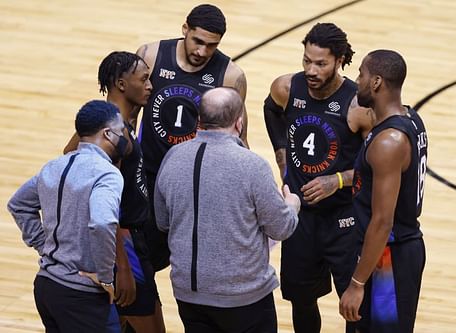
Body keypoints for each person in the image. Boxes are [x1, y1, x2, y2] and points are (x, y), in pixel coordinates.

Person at [154, 87, 301, 333]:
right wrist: (292, 205)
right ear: (239, 123)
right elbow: (281, 227)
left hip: (189, 294)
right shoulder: (252, 166)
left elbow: (162, 221)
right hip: (243, 296)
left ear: (199, 120)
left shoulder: (173, 156)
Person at [263, 22, 373, 332]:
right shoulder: (286, 88)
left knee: (354, 305)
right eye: (306, 61)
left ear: (339, 61)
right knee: (301, 299)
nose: (311, 70)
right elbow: (271, 112)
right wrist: (282, 157)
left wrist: (336, 181)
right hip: (301, 217)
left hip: (344, 218)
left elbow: (375, 167)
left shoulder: (358, 105)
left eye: (321, 63)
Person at [136, 4, 249, 272]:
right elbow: (127, 114)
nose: (202, 51)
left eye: (211, 45)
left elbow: (239, 136)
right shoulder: (150, 55)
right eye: (197, 41)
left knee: (192, 264)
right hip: (148, 175)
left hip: (197, 182)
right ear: (185, 29)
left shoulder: (230, 75)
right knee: (142, 259)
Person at [64, 51, 166, 333]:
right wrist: (121, 267)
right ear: (121, 84)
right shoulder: (114, 134)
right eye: (144, 80)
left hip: (130, 241)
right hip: (125, 245)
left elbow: (69, 152)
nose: (150, 86)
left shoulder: (109, 118)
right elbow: (105, 207)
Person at [7, 100, 124, 333]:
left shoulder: (53, 166)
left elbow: (18, 204)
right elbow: (102, 223)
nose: (124, 137)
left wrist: (45, 246)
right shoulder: (107, 174)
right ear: (108, 134)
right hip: (81, 295)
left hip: (46, 286)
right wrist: (106, 278)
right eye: (121, 132)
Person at [339, 50, 428, 333]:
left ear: (376, 82)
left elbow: (382, 221)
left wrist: (356, 284)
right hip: (396, 248)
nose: (357, 80)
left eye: (362, 75)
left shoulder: (388, 142)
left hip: (388, 257)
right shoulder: (411, 119)